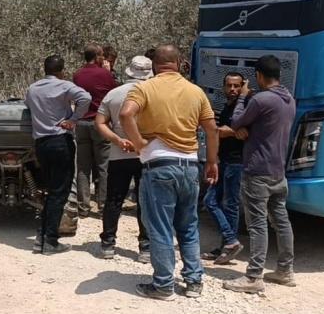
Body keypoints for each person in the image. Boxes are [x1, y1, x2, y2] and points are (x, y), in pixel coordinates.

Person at [120, 45, 218, 300]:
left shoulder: (144, 88)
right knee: (189, 226)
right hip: (190, 166)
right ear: (179, 63)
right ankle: (194, 281)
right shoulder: (195, 91)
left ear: (154, 65)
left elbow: (126, 114)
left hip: (158, 166)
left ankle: (163, 285)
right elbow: (211, 129)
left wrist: (139, 142)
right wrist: (212, 162)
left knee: (160, 227)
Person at [222, 55, 297, 293]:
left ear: (259, 76)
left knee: (257, 225)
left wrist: (242, 97)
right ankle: (285, 270)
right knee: (281, 221)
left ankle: (254, 276)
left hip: (257, 171)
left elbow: (236, 121)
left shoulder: (261, 99)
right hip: (278, 171)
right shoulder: (289, 99)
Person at [25, 54, 92, 254]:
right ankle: (50, 241)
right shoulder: (64, 86)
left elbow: (28, 106)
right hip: (60, 141)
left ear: (44, 69)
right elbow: (86, 98)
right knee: (59, 192)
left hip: (41, 144)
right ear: (62, 71)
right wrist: (73, 119)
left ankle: (42, 237)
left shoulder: (33, 88)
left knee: (51, 191)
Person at [94, 55, 153, 262]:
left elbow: (100, 122)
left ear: (129, 71)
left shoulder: (114, 94)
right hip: (146, 154)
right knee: (145, 201)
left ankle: (108, 243)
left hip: (118, 155)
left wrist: (118, 140)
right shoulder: (154, 93)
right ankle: (145, 247)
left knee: (114, 199)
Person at [201, 73, 248, 264]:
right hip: (223, 161)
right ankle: (228, 243)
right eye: (229, 85)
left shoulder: (245, 107)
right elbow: (218, 132)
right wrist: (228, 132)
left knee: (229, 205)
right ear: (223, 87)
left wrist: (228, 132)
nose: (233, 89)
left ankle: (229, 243)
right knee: (212, 201)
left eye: (237, 86)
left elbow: (246, 132)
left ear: (242, 86)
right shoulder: (227, 107)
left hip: (236, 162)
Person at [72, 43, 118, 217]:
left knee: (83, 167)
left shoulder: (77, 75)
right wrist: (108, 72)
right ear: (98, 57)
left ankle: (83, 206)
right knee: (103, 165)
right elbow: (114, 93)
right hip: (100, 123)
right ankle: (103, 204)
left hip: (81, 123)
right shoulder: (104, 74)